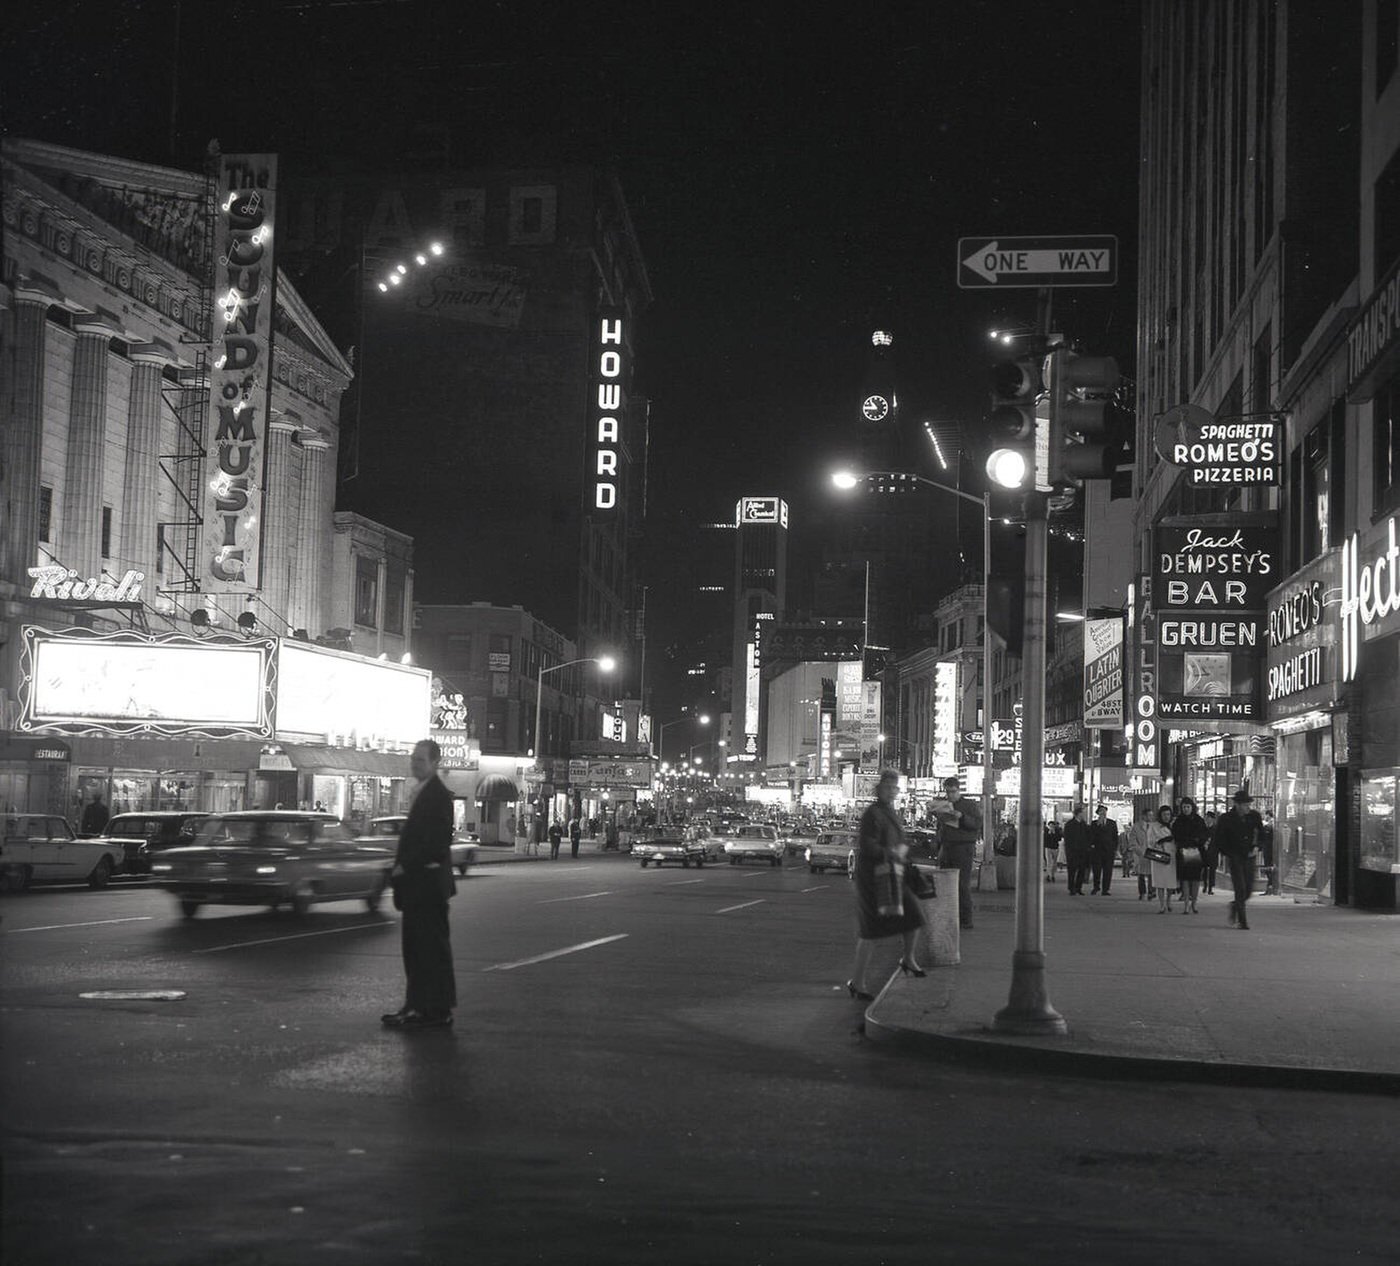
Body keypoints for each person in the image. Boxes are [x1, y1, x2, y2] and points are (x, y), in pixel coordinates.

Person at [382, 739, 457, 1030]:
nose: (415, 764)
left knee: (429, 950)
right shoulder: (422, 792)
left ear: (435, 762)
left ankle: (433, 1010)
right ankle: (418, 1006)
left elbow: (436, 843)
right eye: (413, 759)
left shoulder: (437, 795)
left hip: (427, 886)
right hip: (419, 885)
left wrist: (405, 865)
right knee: (416, 949)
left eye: (421, 760)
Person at [847, 770, 925, 1000]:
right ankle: (857, 982)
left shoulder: (890, 811)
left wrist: (901, 853)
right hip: (874, 878)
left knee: (914, 916)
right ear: (879, 789)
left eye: (895, 787)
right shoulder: (873, 813)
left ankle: (908, 959)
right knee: (869, 931)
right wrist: (891, 852)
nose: (892, 791)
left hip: (892, 874)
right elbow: (867, 845)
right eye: (888, 787)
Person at [934, 775, 981, 929]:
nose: (950, 795)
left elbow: (976, 824)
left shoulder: (969, 805)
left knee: (961, 884)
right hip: (947, 846)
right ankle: (949, 916)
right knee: (945, 883)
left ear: (958, 790)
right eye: (947, 792)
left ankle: (965, 919)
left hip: (963, 847)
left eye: (952, 792)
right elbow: (942, 826)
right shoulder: (945, 804)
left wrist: (962, 817)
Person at [1215, 788, 1260, 930]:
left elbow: (1261, 834)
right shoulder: (1226, 819)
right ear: (1238, 805)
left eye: (1249, 805)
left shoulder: (1254, 816)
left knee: (1248, 889)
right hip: (1235, 856)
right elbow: (1220, 839)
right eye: (1245, 805)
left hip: (1249, 855)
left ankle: (1235, 905)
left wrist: (1257, 847)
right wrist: (1228, 853)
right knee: (1240, 888)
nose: (1248, 808)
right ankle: (1242, 920)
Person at [1170, 797, 1211, 913]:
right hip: (1183, 853)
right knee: (1185, 880)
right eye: (1184, 807)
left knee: (1195, 880)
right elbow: (1176, 836)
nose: (1186, 809)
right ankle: (1186, 905)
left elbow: (1204, 835)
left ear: (1192, 807)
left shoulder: (1198, 820)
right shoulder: (1178, 821)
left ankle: (1194, 904)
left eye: (1188, 807)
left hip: (1196, 853)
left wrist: (1197, 841)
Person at [1124, 805, 1160, 901]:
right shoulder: (1136, 827)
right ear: (1143, 816)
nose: (1150, 817)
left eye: (1152, 815)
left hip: (1152, 852)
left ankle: (1151, 891)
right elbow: (1132, 840)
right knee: (1141, 874)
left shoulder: (1154, 826)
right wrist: (1138, 850)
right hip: (1140, 853)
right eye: (1149, 815)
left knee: (1152, 873)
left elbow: (1158, 839)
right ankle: (1142, 892)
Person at [1148, 805, 1178, 912]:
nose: (1166, 817)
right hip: (1159, 855)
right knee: (1160, 881)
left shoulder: (1174, 825)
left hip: (1172, 855)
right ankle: (1161, 905)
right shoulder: (1154, 826)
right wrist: (1160, 841)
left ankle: (1169, 901)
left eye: (1168, 814)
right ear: (1160, 815)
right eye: (1164, 814)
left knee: (1170, 881)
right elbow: (1150, 841)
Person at [1088, 803, 1119, 895]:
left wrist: (1115, 848)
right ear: (1098, 813)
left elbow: (1115, 837)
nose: (1103, 813)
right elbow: (1091, 836)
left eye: (1104, 811)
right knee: (1096, 870)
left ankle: (1106, 889)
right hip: (1097, 851)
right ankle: (1096, 887)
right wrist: (1098, 825)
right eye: (1101, 811)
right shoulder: (1094, 824)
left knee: (1108, 871)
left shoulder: (1112, 823)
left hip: (1109, 851)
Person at [1062, 804, 1091, 895]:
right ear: (1078, 814)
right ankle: (1071, 888)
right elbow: (1067, 839)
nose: (1084, 815)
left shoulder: (1084, 825)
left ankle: (1078, 887)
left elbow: (1088, 837)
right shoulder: (1069, 825)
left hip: (1082, 852)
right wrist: (1070, 850)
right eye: (1083, 813)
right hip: (1073, 852)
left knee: (1081, 870)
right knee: (1072, 871)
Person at [1201, 810, 1221, 893]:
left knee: (1212, 870)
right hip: (1205, 851)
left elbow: (1218, 840)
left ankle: (1210, 887)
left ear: (1212, 819)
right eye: (1206, 817)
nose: (1207, 819)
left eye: (1209, 818)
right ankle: (1205, 885)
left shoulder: (1216, 828)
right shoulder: (1203, 828)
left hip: (1213, 851)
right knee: (1205, 870)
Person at [1042, 818, 1062, 884]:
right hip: (1048, 848)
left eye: (1052, 826)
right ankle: (1049, 875)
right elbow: (1044, 840)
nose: (1051, 827)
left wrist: (1054, 834)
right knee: (1049, 862)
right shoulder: (1046, 831)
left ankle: (1053, 875)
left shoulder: (1057, 831)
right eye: (1050, 826)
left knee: (1054, 863)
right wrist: (1049, 833)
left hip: (1055, 848)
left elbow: (1059, 838)